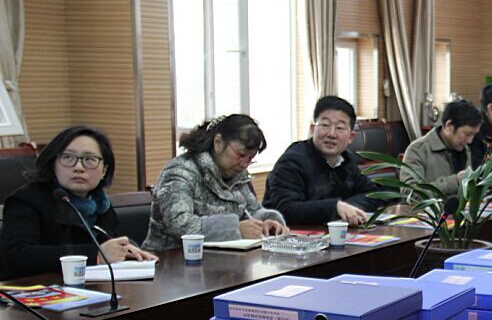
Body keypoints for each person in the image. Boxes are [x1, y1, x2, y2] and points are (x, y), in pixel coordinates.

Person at [0, 126, 158, 279]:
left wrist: (125, 249)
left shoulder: (99, 202)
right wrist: (95, 254)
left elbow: (108, 241)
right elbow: (17, 255)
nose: (79, 167)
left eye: (89, 159)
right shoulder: (26, 200)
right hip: (31, 290)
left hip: (88, 287)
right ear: (54, 164)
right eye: (68, 158)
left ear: (104, 170)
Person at [143, 114, 288, 251]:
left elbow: (253, 211)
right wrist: (235, 229)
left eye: (250, 158)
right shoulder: (180, 171)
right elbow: (180, 224)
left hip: (221, 259)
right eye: (241, 154)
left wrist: (267, 223)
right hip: (170, 259)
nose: (244, 164)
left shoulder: (237, 174)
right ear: (218, 143)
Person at [262, 96, 387, 227]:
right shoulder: (292, 161)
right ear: (312, 129)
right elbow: (285, 210)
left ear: (351, 137)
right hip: (289, 235)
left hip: (332, 234)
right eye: (325, 125)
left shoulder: (346, 160)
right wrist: (335, 207)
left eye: (340, 128)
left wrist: (347, 209)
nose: (331, 134)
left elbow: (373, 194)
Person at [402, 99, 482, 195]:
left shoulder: (464, 150)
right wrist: (454, 182)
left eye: (474, 135)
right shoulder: (418, 150)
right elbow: (410, 193)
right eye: (467, 134)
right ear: (448, 126)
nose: (470, 141)